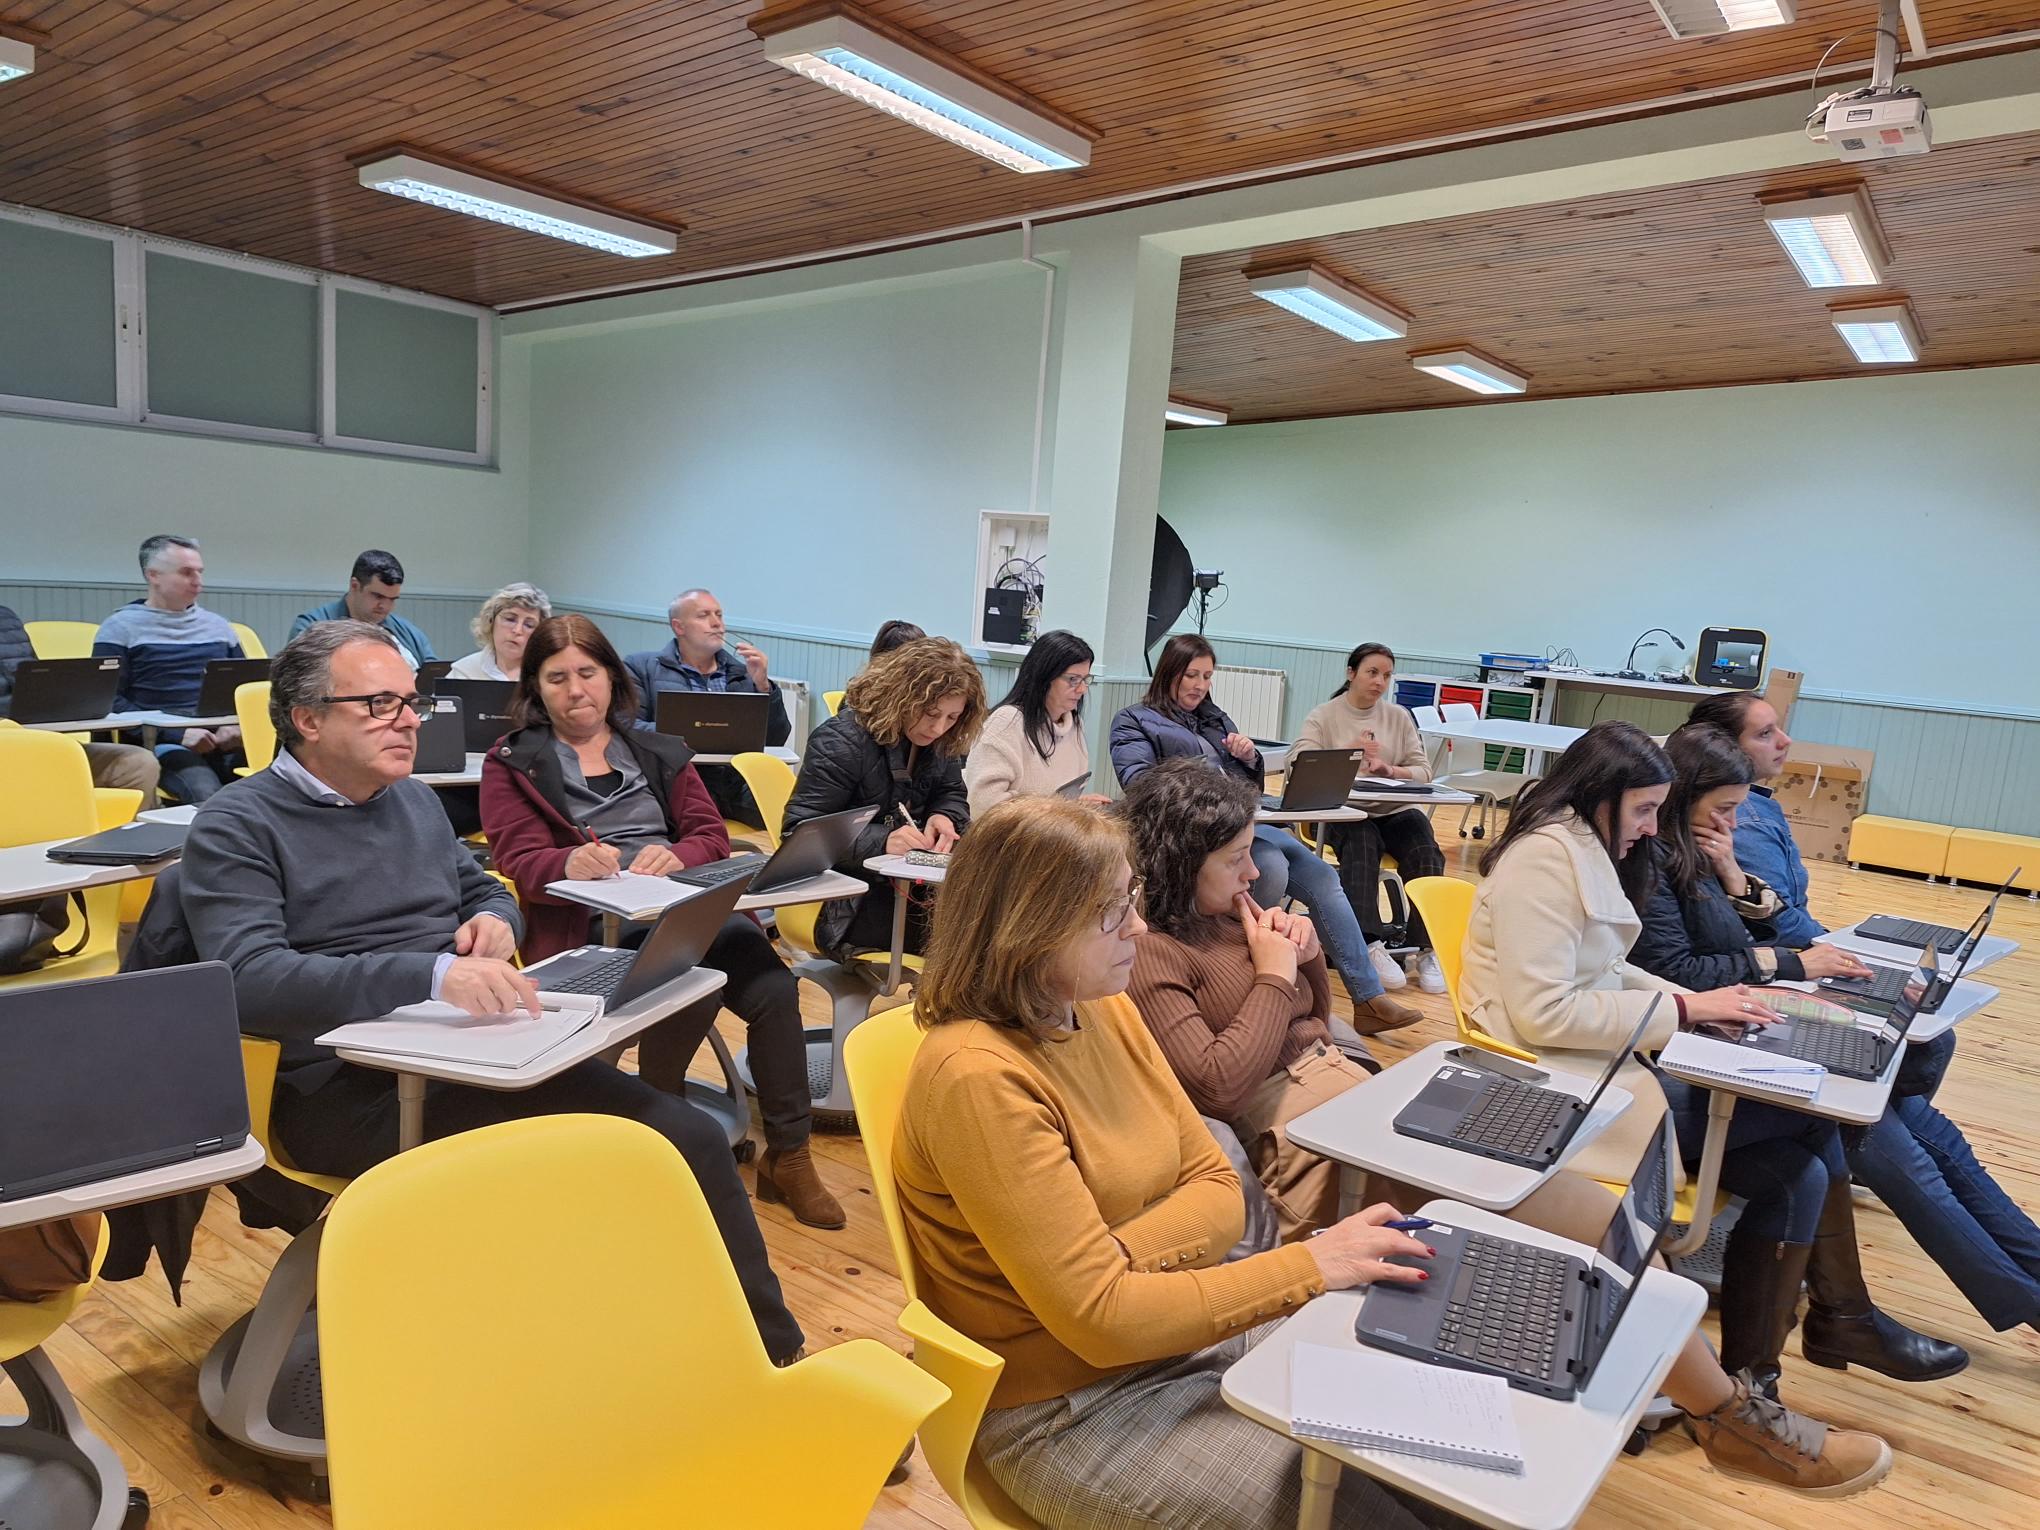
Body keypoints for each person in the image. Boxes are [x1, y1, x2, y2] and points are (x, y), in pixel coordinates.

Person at [896, 799, 1884, 1529]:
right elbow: (1101, 1323)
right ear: (1031, 928)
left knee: (1466, 1475)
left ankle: (1729, 1419)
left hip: (1185, 1337)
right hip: (1068, 1411)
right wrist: (1299, 1269)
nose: (1139, 931)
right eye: (1113, 914)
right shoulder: (976, 1074)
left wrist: (1119, 1261)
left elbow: (1217, 1187)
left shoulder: (1096, 1003)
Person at [179, 620, 801, 1361]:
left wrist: (493, 918)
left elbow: (483, 886)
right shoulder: (236, 824)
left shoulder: (406, 799)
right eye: (380, 704)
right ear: (307, 720)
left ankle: (763, 1357)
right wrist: (434, 972)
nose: (410, 720)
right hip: (341, 1087)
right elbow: (249, 981)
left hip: (460, 1049)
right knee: (624, 1154)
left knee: (689, 1135)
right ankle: (633, 1346)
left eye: (411, 701)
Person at [1464, 720, 1965, 1394]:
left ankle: (1754, 1381)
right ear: (1600, 795)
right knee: (1814, 1125)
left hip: (1599, 1063)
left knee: (1800, 1170)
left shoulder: (1578, 847)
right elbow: (1544, 1012)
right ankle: (1832, 1327)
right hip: (1555, 1086)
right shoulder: (1544, 862)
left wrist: (1712, 1004)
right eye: (1644, 809)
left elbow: (1607, 972)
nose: (1651, 826)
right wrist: (1689, 1010)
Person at [1648, 722, 2040, 1339]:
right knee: (1887, 1132)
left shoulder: (1703, 851)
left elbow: (1771, 928)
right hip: (1703, 1050)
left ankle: (2028, 1284)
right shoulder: (1654, 862)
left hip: (1744, 1021)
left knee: (1927, 1130)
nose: (1731, 823)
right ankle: (2018, 1302)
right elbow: (1680, 970)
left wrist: (1729, 874)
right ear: (1681, 797)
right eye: (1721, 809)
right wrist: (1789, 967)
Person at [479, 615, 842, 1228]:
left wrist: (678, 855)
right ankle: (660, 1138)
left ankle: (790, 1155)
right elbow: (516, 859)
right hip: (596, 925)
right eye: (557, 677)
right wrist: (569, 859)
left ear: (611, 678)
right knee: (680, 995)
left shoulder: (657, 747)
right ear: (535, 688)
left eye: (588, 674)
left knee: (776, 990)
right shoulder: (512, 762)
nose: (576, 690)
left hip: (682, 909)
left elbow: (711, 837)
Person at [1109, 633, 1418, 1032]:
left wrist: (1248, 759)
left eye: (1207, 676)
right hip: (1198, 837)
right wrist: (1208, 773)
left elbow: (1246, 788)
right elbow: (1140, 787)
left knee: (1323, 876)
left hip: (1244, 825)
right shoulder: (1134, 720)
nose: (1200, 685)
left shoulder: (1214, 717)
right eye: (1191, 675)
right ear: (1169, 672)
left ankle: (1368, 997)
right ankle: (1242, 979)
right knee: (1269, 867)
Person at [782, 636, 983, 962]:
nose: (938, 727)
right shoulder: (841, 740)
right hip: (850, 901)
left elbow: (950, 793)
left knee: (995, 923)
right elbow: (799, 831)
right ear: (901, 696)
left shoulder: (941, 742)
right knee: (979, 938)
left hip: (911, 890)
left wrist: (944, 816)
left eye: (952, 717)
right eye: (930, 713)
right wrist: (883, 840)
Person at [1295, 642, 1449, 995]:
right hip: (1343, 811)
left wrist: (1389, 769)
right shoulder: (1324, 716)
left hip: (1392, 809)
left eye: (1387, 675)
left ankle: (1426, 948)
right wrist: (1347, 755)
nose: (1380, 682)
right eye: (1372, 672)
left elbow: (1423, 770)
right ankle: (1367, 944)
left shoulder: (1398, 717)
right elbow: (1298, 763)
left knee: (1425, 847)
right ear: (1351, 673)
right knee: (1362, 840)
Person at [92, 534, 244, 803]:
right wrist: (176, 734)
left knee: (280, 781)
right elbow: (109, 701)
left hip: (224, 739)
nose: (198, 580)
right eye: (186, 572)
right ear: (153, 575)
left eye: (199, 572)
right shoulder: (120, 628)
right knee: (206, 796)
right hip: (161, 742)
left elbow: (244, 689)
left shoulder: (219, 627)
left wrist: (237, 725)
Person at [623, 587, 791, 828]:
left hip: (734, 783)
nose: (716, 623)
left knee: (791, 815)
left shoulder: (742, 672)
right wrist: (688, 733)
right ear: (679, 627)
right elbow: (629, 727)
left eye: (719, 615)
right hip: (676, 781)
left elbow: (775, 739)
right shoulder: (641, 667)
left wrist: (763, 685)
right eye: (703, 616)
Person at [1687, 691, 1825, 947]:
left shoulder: (1754, 808)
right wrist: (1835, 944)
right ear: (1724, 748)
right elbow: (1782, 925)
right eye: (1765, 734)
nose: (1785, 741)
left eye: (1779, 729)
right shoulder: (1748, 822)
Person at [0, 602, 160, 806]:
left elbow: (33, 682)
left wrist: (66, 703)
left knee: (138, 763)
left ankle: (128, 837)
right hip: (9, 748)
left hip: (33, 742)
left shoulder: (5, 617)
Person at [965, 629, 1107, 816]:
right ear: (1044, 678)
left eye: (1086, 679)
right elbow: (984, 805)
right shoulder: (1006, 723)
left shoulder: (1074, 724)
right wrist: (1054, 809)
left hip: (1046, 833)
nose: (1082, 689)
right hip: (1009, 838)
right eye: (1073, 680)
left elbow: (1056, 797)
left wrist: (1077, 804)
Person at [290, 550, 436, 670]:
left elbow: (434, 681)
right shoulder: (310, 628)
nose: (385, 606)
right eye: (378, 596)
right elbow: (297, 682)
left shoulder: (411, 635)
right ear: (354, 586)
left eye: (392, 599)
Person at [447, 582, 550, 681]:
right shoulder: (463, 672)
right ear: (491, 621)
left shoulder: (548, 674)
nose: (517, 630)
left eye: (529, 625)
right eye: (510, 619)